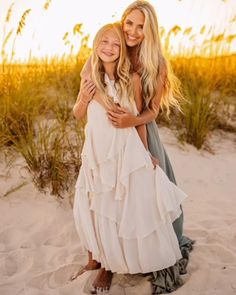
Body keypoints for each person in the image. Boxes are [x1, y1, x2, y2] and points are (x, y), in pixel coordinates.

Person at [78, 1, 194, 293]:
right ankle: (101, 257)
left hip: (140, 129)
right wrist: (106, 107)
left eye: (140, 26)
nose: (132, 31)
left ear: (150, 30)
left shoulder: (157, 64)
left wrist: (132, 121)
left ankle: (143, 254)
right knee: (103, 197)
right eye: (129, 23)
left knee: (148, 201)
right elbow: (88, 90)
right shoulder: (109, 46)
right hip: (107, 136)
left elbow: (152, 111)